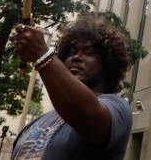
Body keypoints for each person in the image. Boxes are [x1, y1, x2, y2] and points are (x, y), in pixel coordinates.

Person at [12, 13, 133, 160]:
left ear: (108, 64)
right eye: (71, 52)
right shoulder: (36, 123)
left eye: (89, 52)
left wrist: (41, 55)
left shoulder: (118, 108)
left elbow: (89, 119)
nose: (77, 56)